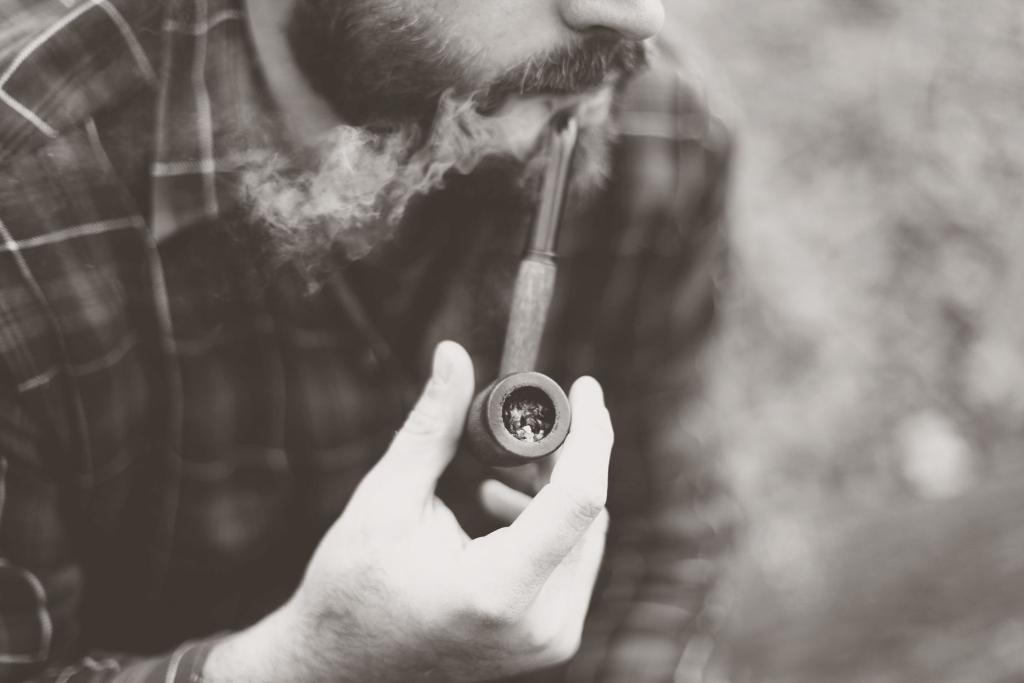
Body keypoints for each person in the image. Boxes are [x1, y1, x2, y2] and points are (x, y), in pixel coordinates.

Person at [0, 0, 733, 680]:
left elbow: (655, 538)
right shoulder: (22, 210)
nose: (637, 14)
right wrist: (303, 661)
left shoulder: (652, 129)